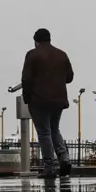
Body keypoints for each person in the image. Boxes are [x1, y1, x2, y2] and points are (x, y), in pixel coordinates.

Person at [21, 28, 75, 178]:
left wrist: (27, 98)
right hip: (58, 100)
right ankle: (64, 159)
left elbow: (26, 79)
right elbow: (70, 77)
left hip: (39, 100)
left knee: (44, 132)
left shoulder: (32, 55)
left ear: (36, 41)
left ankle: (49, 167)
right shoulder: (61, 54)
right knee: (54, 129)